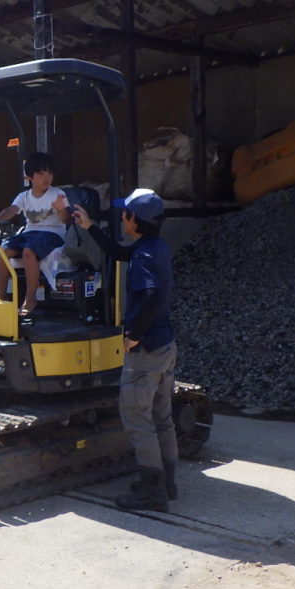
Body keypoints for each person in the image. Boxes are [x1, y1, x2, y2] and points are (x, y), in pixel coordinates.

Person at [72, 188, 178, 511]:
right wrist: (90, 226)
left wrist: (133, 334)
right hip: (165, 345)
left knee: (137, 418)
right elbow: (118, 253)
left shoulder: (143, 256)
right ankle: (167, 482)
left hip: (146, 351)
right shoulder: (154, 247)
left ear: (135, 220)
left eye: (125, 213)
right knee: (161, 416)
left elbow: (150, 294)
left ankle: (152, 492)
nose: (121, 217)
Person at [0, 152, 70, 315]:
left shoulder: (58, 194)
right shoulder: (23, 196)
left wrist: (61, 209)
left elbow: (67, 220)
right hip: (30, 234)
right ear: (29, 177)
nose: (46, 178)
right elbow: (11, 210)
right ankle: (1, 297)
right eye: (41, 174)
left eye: (49, 174)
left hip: (53, 235)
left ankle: (30, 299)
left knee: (28, 251)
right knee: (2, 251)